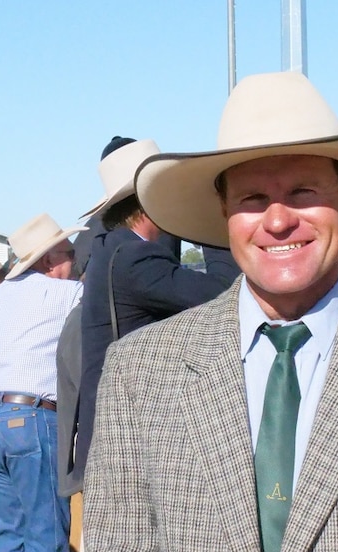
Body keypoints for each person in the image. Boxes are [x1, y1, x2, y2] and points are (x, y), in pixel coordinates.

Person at [83, 71, 338, 552]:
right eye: (251, 198)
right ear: (224, 210)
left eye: (304, 191)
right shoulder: (141, 368)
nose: (277, 220)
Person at [75, 136, 233, 488]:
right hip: (124, 443)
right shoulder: (136, 258)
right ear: (149, 204)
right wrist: (208, 223)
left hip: (111, 435)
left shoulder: (111, 247)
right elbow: (224, 291)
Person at [0, 213, 85, 552]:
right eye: (70, 254)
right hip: (31, 417)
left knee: (8, 535)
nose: (76, 261)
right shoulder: (70, 294)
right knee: (46, 536)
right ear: (48, 260)